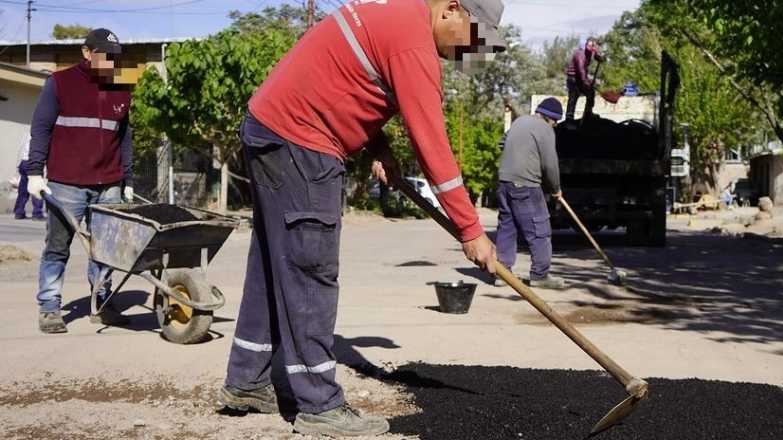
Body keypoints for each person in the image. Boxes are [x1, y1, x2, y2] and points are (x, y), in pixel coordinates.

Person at [218, 1, 505, 437]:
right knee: (311, 268)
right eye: (473, 39)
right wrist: (470, 230)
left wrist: (380, 149)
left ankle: (247, 380)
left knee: (273, 264)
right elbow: (433, 148)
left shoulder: (396, 15)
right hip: (303, 142)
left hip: (271, 127)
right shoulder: (415, 48)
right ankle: (318, 404)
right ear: (452, 10)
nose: (468, 51)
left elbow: (347, 81)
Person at [25, 28, 135, 334]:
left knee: (107, 249)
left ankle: (102, 303)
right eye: (104, 54)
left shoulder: (121, 86)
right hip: (67, 182)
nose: (110, 61)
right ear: (87, 53)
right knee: (58, 247)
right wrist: (34, 172)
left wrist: (127, 177)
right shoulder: (60, 82)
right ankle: (49, 306)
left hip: (110, 182)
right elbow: (41, 128)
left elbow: (125, 136)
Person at [495, 98, 565, 289]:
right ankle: (540, 275)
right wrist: (555, 189)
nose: (555, 125)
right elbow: (550, 164)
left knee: (507, 227)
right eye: (556, 121)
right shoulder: (546, 130)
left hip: (504, 182)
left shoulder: (520, 122)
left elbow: (502, 143)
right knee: (539, 228)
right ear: (552, 119)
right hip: (526, 184)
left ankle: (502, 274)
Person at [565, 37, 604, 121]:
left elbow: (595, 54)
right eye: (590, 46)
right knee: (573, 97)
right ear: (586, 44)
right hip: (573, 79)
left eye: (593, 46)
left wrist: (599, 58)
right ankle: (569, 118)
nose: (592, 48)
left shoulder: (591, 50)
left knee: (591, 93)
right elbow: (581, 69)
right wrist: (586, 82)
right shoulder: (580, 54)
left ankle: (588, 112)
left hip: (581, 77)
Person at [14, 134, 45, 220]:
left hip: (24, 162)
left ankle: (19, 212)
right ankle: (37, 213)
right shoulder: (43, 135)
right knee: (36, 189)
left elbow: (20, 149)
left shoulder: (26, 134)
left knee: (23, 190)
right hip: (34, 163)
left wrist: (18, 165)